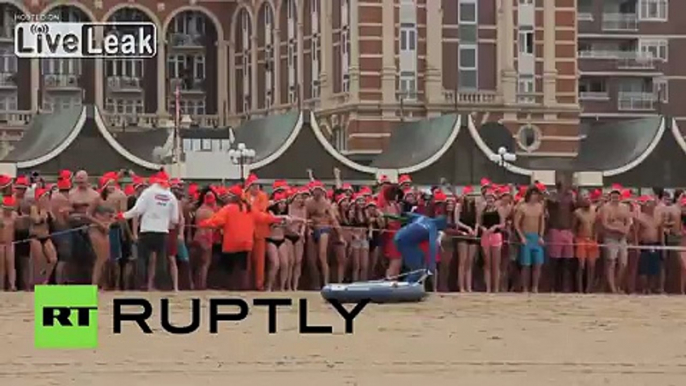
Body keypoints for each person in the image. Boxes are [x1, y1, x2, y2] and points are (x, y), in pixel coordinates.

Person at [199, 185, 286, 290]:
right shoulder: (249, 208)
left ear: (233, 197)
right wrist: (278, 219)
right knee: (243, 267)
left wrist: (203, 224)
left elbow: (217, 221)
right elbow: (263, 218)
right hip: (246, 243)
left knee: (228, 268)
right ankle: (243, 287)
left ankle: (230, 287)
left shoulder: (228, 208)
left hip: (231, 243)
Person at [120, 172, 180, 291]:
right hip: (162, 231)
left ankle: (140, 285)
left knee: (142, 259)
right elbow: (175, 219)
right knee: (161, 260)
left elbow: (137, 211)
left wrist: (122, 215)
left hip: (147, 230)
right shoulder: (171, 196)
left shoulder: (147, 193)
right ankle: (161, 285)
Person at [393, 212, 448, 283]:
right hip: (405, 242)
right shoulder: (432, 228)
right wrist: (431, 266)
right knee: (418, 269)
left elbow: (406, 215)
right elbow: (433, 247)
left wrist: (387, 215)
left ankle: (409, 283)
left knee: (421, 258)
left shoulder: (422, 217)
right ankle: (407, 285)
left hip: (400, 237)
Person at [600, 188, 632, 293]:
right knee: (611, 262)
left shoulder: (625, 208)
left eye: (617, 196)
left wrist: (626, 229)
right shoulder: (606, 208)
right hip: (610, 238)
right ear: (610, 197)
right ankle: (613, 288)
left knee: (623, 263)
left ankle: (617, 285)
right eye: (613, 196)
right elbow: (604, 224)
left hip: (622, 238)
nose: (615, 198)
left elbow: (628, 221)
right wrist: (616, 229)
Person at [514, 186, 546, 293]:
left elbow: (542, 223)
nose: (535, 196)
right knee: (526, 264)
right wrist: (522, 237)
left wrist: (541, 236)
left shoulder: (540, 207)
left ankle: (535, 287)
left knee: (538, 263)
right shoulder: (522, 207)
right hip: (526, 236)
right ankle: (525, 287)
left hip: (536, 237)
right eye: (533, 194)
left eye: (536, 194)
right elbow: (516, 223)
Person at [547, 181, 576, 292]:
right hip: (556, 230)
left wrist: (575, 193)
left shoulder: (570, 198)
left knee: (567, 261)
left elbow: (576, 207)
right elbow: (551, 202)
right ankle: (553, 286)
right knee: (555, 261)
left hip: (567, 230)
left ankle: (565, 287)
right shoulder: (552, 197)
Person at [244, 174, 270, 291]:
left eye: (257, 185)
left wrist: (250, 208)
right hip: (246, 232)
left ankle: (259, 284)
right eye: (253, 185)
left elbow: (261, 211)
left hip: (260, 231)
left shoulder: (263, 196)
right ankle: (246, 283)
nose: (256, 188)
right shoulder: (244, 196)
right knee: (247, 260)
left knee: (260, 260)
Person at [477, 189, 506, 293]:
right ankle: (488, 288)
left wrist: (495, 226)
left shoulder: (499, 209)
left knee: (496, 263)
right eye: (488, 197)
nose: (490, 199)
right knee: (487, 263)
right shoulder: (483, 210)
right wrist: (483, 228)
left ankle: (496, 288)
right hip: (486, 236)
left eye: (491, 197)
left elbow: (503, 224)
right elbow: (479, 223)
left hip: (496, 235)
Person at [29, 188, 57, 287]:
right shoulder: (34, 207)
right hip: (35, 237)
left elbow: (54, 220)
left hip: (46, 236)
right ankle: (36, 283)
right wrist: (42, 215)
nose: (46, 199)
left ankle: (45, 280)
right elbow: (35, 220)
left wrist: (49, 212)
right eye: (44, 197)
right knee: (39, 261)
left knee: (53, 259)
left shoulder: (48, 208)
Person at [636, 197, 664, 293]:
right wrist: (637, 246)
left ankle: (650, 288)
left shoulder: (658, 217)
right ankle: (644, 288)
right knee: (643, 268)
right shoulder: (640, 217)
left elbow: (661, 233)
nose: (651, 207)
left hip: (655, 244)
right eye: (649, 204)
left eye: (652, 204)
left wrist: (662, 246)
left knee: (654, 268)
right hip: (644, 244)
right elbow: (637, 233)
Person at [573, 192, 600, 293]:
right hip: (581, 239)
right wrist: (576, 239)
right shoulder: (577, 213)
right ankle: (580, 289)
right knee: (581, 265)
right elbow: (573, 228)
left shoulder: (594, 211)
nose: (587, 200)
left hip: (592, 240)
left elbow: (596, 226)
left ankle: (589, 289)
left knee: (592, 265)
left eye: (588, 198)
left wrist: (596, 239)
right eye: (584, 199)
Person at [0, 196, 17, 291]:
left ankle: (12, 285)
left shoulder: (14, 215)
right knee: (1, 266)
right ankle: (1, 286)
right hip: (1, 243)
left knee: (11, 265)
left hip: (11, 243)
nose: (9, 211)